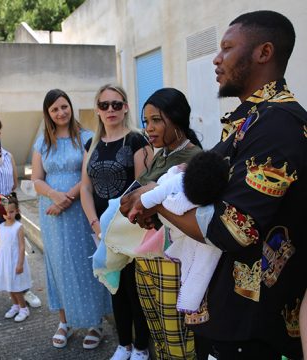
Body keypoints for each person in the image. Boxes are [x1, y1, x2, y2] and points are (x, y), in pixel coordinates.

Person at [121, 10, 306, 360]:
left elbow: (230, 229)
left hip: (252, 329)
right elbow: (198, 180)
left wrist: (156, 202)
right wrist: (156, 197)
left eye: (226, 48)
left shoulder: (277, 127)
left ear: (263, 53)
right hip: (228, 318)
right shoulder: (250, 122)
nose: (216, 59)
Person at [120, 87, 202, 359]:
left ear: (176, 119)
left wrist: (148, 197)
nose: (149, 128)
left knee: (177, 340)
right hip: (146, 258)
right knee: (159, 337)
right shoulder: (163, 154)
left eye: (157, 120)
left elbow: (185, 213)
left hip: (172, 263)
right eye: (146, 121)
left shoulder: (192, 160)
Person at [32, 88, 111, 349]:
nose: (60, 112)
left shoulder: (87, 137)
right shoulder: (42, 141)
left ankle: (94, 323)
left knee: (86, 263)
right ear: (48, 113)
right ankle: (64, 321)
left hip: (80, 210)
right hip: (52, 214)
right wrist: (55, 196)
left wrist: (67, 197)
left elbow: (89, 174)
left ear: (71, 107)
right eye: (54, 109)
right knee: (59, 265)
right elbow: (36, 179)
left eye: (64, 106)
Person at [80, 84, 154, 360]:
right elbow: (85, 188)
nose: (110, 110)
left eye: (116, 104)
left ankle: (141, 347)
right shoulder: (92, 144)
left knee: (136, 289)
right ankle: (123, 344)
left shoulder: (137, 141)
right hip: (101, 229)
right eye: (104, 105)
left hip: (130, 229)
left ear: (125, 107)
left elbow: (142, 187)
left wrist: (120, 226)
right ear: (97, 110)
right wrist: (95, 225)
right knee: (115, 287)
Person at [128, 151, 228, 317]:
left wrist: (143, 205)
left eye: (156, 122)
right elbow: (161, 189)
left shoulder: (180, 193)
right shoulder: (177, 178)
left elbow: (156, 195)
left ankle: (190, 299)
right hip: (167, 231)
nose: (150, 127)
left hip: (171, 236)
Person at [0, 115, 41, 314]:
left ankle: (23, 289)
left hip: (7, 209)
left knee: (15, 250)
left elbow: (13, 184)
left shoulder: (9, 155)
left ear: (0, 134)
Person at [0, 195, 32, 322]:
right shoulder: (0, 226)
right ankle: (15, 305)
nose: (8, 214)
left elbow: (21, 247)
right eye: (5, 212)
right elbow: (0, 244)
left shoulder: (18, 227)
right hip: (4, 262)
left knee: (16, 287)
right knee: (9, 286)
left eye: (11, 211)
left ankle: (24, 308)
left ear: (17, 211)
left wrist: (20, 264)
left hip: (15, 261)